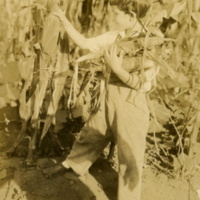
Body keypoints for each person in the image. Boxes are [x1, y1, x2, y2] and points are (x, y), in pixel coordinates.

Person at [42, 1, 158, 199]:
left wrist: (116, 67)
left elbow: (141, 85)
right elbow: (86, 43)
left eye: (116, 14)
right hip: (109, 97)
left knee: (129, 153)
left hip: (131, 103)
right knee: (92, 133)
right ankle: (74, 165)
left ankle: (128, 196)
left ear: (131, 16)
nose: (112, 18)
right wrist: (63, 20)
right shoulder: (117, 36)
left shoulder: (150, 42)